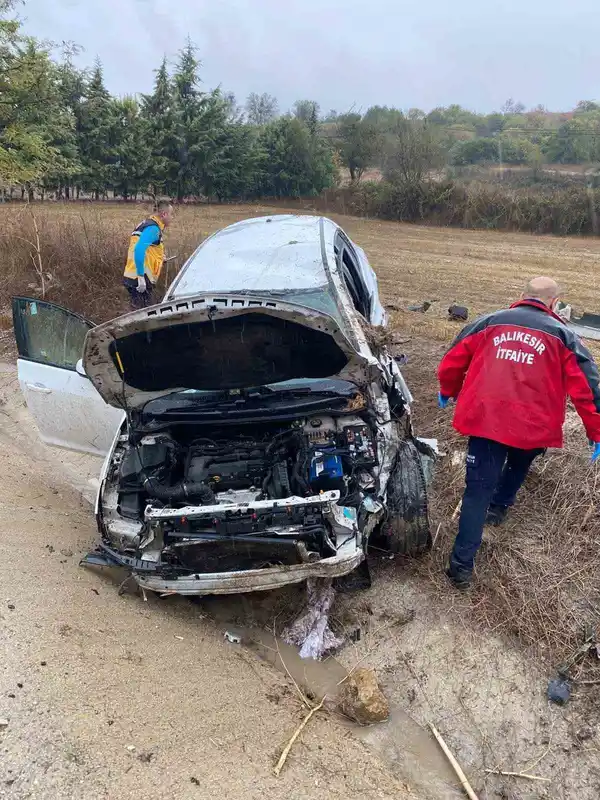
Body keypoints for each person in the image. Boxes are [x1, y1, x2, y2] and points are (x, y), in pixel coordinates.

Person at [438, 276, 600, 590]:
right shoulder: (565, 336)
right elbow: (588, 388)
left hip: (485, 420)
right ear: (554, 303)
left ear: (521, 295)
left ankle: (460, 568)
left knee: (476, 493)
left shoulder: (488, 322)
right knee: (519, 463)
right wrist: (595, 430)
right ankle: (499, 507)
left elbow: (452, 360)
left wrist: (448, 388)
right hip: (532, 425)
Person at [123, 200, 173, 309]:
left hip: (132, 275)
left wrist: (160, 258)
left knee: (137, 311)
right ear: (164, 214)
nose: (171, 217)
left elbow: (148, 249)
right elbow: (139, 249)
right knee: (143, 314)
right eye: (171, 214)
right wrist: (141, 277)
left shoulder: (146, 225)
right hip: (140, 278)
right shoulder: (153, 229)